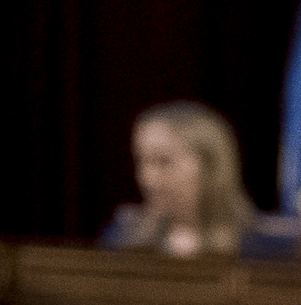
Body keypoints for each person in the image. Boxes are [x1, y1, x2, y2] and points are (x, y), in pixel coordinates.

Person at [98, 102, 251, 256]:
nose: (147, 178)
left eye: (163, 161)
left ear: (210, 165)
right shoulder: (122, 238)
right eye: (140, 161)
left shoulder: (261, 248)